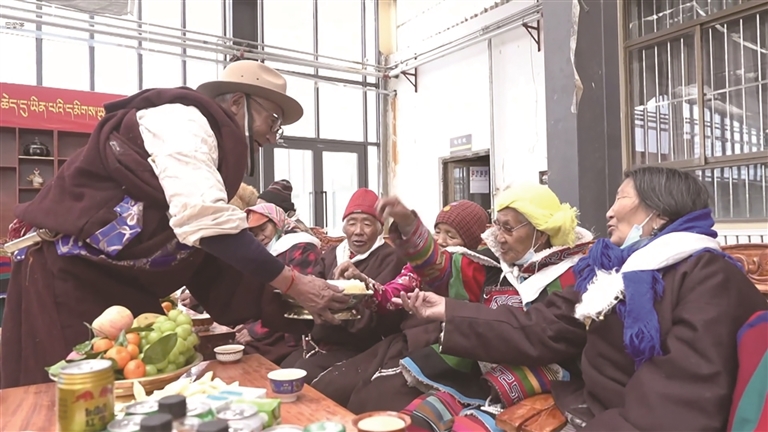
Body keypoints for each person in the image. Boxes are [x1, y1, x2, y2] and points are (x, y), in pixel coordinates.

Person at [0, 61, 347, 388]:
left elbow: (206, 252)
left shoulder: (211, 149)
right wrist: (292, 283)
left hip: (120, 284)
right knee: (78, 393)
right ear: (238, 103)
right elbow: (206, 224)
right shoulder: (183, 122)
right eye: (272, 121)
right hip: (70, 273)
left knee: (142, 381)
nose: (272, 136)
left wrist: (297, 305)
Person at [400, 166, 767, 431]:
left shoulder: (708, 278)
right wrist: (450, 310)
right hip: (588, 407)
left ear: (658, 214)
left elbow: (677, 403)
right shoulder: (614, 273)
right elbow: (542, 326)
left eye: (621, 198)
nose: (609, 211)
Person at [308, 200, 492, 414]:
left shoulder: (477, 271)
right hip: (406, 343)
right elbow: (390, 296)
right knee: (333, 386)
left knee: (378, 398)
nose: (440, 240)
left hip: (447, 353)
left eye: (451, 236)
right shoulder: (418, 269)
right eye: (437, 231)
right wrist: (363, 282)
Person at [281, 188, 407, 382]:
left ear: (380, 229)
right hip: (321, 341)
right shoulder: (333, 254)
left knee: (303, 377)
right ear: (343, 228)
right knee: (281, 371)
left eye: (367, 224)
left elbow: (380, 317)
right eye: (352, 223)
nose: (358, 231)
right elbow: (312, 289)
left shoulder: (391, 259)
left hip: (360, 348)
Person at [234, 203, 322, 363]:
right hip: (270, 323)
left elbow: (294, 299)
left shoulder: (301, 247)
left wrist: (255, 330)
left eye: (264, 229)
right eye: (254, 234)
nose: (261, 237)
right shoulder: (264, 252)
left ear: (277, 223)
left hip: (290, 330)